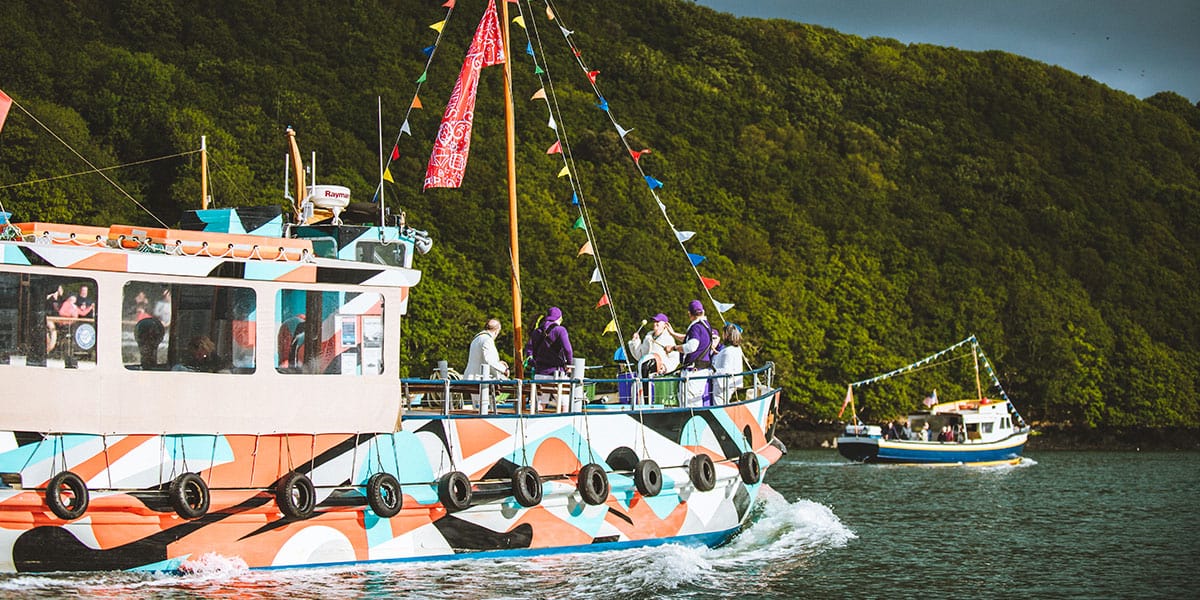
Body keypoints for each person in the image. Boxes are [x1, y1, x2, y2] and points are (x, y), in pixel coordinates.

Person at [524, 306, 575, 410]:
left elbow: (530, 350)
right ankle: (563, 423)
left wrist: (534, 363)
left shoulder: (536, 332)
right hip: (557, 373)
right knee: (563, 404)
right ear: (559, 318)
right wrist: (569, 365)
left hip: (540, 373)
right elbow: (568, 349)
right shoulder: (560, 330)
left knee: (539, 404)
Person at [627, 313, 681, 403]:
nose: (655, 323)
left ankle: (647, 404)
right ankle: (643, 404)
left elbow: (675, 359)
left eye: (658, 322)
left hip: (660, 378)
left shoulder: (669, 339)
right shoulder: (648, 337)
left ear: (665, 325)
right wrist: (635, 342)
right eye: (654, 321)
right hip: (644, 372)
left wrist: (665, 367)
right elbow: (640, 355)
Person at [465, 318, 509, 412]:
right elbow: (489, 359)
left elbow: (481, 358)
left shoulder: (476, 338)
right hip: (480, 380)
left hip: (471, 377)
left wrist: (498, 363)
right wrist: (504, 369)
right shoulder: (487, 340)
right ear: (497, 331)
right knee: (484, 408)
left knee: (477, 408)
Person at [679, 300, 718, 407]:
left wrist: (675, 348)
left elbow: (692, 346)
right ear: (703, 312)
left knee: (689, 404)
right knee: (696, 403)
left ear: (689, 314)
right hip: (702, 370)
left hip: (693, 372)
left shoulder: (696, 327)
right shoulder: (707, 326)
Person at [711, 323, 745, 404]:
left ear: (727, 335)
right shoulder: (737, 349)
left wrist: (711, 372)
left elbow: (725, 370)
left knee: (719, 405)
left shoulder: (728, 351)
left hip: (723, 385)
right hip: (731, 383)